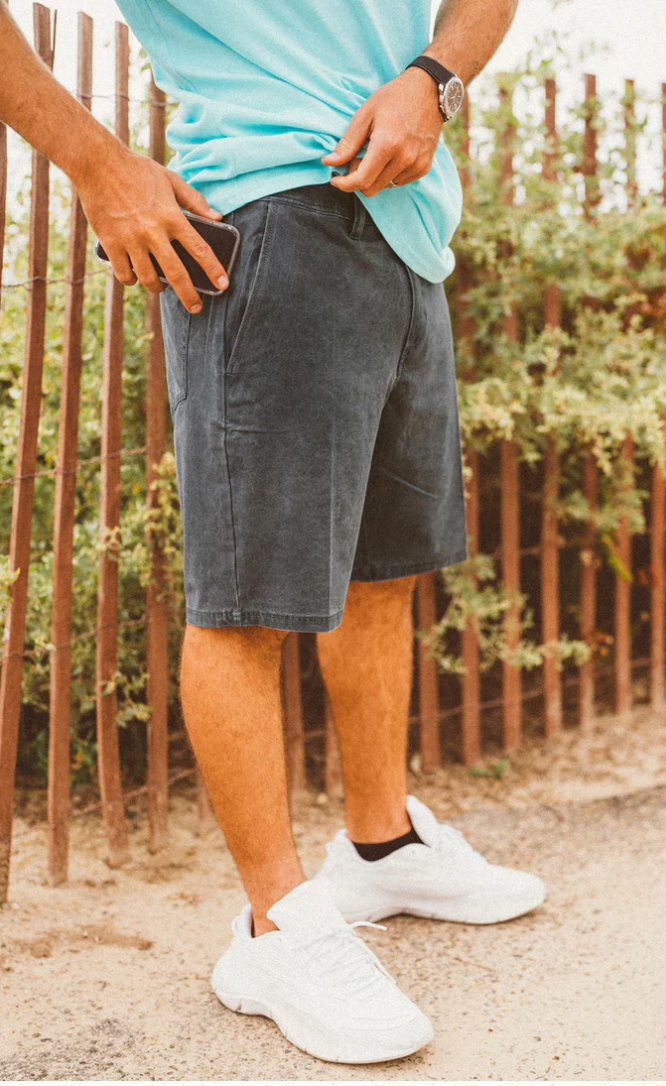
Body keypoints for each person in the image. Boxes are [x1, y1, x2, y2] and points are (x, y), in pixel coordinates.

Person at [0, 0, 546, 1064]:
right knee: (246, 599)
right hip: (264, 218)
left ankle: (381, 847)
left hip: (406, 222)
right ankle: (272, 927)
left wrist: (433, 76)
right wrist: (98, 164)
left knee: (383, 569)